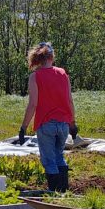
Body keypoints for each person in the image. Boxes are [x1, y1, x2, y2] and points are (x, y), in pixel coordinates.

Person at [18, 42, 77, 192]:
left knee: (49, 160)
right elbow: (69, 100)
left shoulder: (35, 77)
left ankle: (54, 193)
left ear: (37, 59)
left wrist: (23, 127)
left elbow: (33, 105)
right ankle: (64, 192)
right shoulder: (62, 73)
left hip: (46, 124)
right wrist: (72, 123)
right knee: (59, 156)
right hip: (63, 123)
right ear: (51, 57)